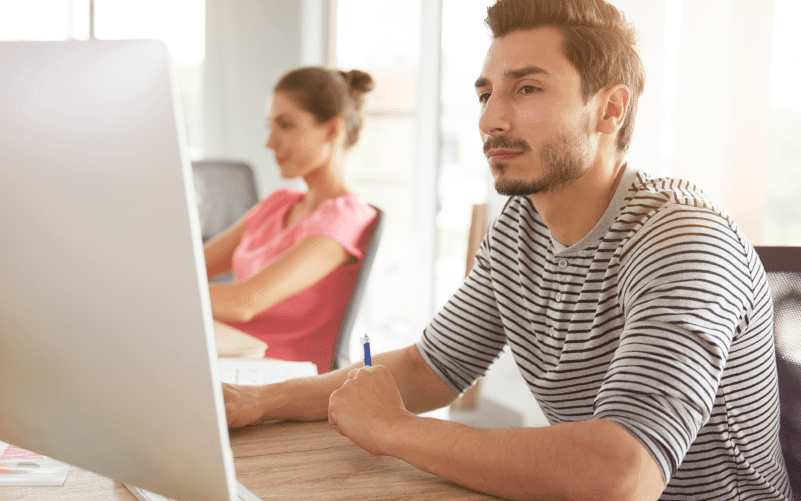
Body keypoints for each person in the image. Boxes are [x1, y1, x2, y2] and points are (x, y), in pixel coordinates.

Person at [222, 1, 793, 499]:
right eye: (486, 93)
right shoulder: (521, 223)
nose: (491, 120)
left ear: (610, 109)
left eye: (527, 88)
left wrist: (393, 430)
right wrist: (265, 401)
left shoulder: (683, 239)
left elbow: (622, 476)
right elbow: (429, 368)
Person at [203, 67, 377, 373]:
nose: (270, 142)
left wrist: (147, 294)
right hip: (235, 362)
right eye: (270, 126)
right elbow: (193, 268)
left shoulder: (346, 217)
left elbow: (244, 302)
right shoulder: (277, 203)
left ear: (331, 131)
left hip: (285, 380)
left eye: (285, 125)